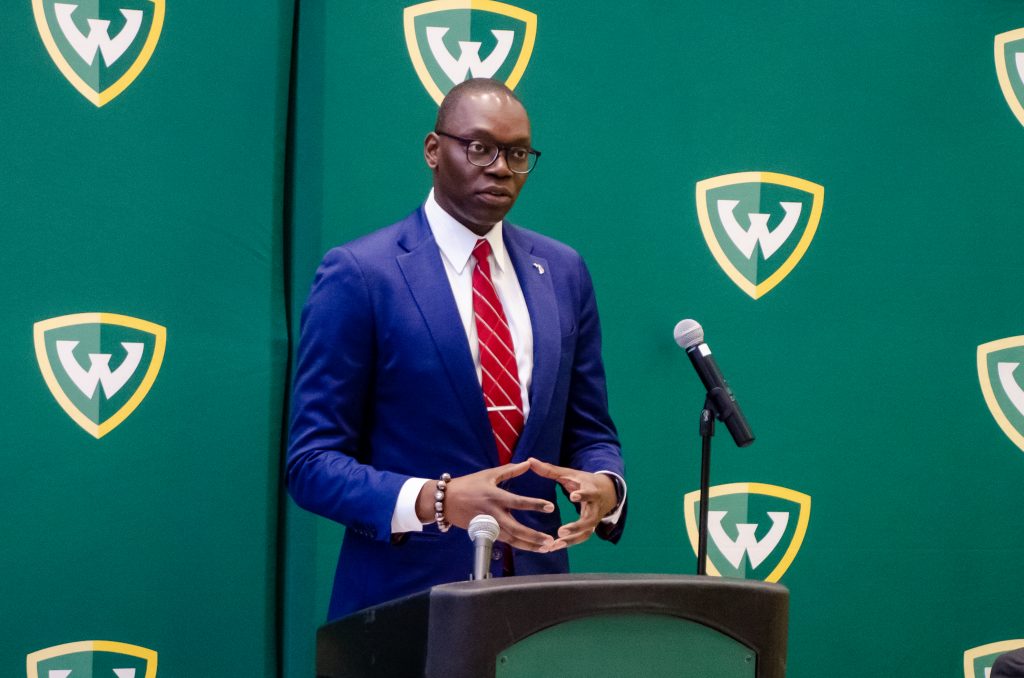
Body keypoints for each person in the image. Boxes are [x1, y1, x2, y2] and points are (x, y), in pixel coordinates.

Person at [287, 78, 626, 620]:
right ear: (432, 150)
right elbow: (311, 464)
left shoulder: (562, 271)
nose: (499, 167)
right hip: (404, 611)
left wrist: (605, 485)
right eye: (479, 147)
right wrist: (439, 502)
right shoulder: (361, 274)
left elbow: (590, 432)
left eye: (517, 154)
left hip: (537, 610)